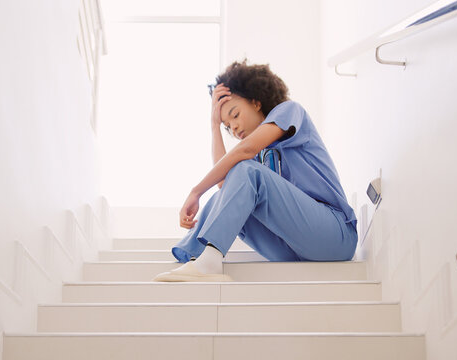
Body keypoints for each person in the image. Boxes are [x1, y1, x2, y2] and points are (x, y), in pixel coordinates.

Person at [152, 59, 358, 282]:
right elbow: (225, 186)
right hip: (292, 248)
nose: (235, 127)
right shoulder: (257, 161)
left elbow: (245, 151)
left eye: (235, 114)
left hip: (335, 235)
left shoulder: (289, 111)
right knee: (227, 193)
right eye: (228, 126)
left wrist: (196, 191)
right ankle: (194, 258)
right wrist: (214, 127)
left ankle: (209, 262)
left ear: (255, 102)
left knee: (245, 169)